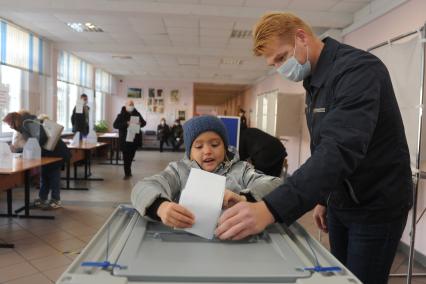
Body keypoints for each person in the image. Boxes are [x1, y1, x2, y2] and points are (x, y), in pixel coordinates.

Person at [215, 12, 412, 284]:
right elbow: (323, 145)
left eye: (282, 57)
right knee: (342, 276)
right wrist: (324, 198)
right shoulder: (316, 81)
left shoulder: (358, 71)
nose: (281, 68)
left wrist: (270, 209)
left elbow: (339, 149)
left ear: (301, 37)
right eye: (274, 63)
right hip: (342, 201)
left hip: (376, 203)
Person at [131, 115, 282, 228]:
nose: (208, 151)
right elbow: (141, 188)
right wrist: (161, 207)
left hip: (234, 243)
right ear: (189, 152)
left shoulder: (241, 170)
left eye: (215, 144)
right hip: (186, 245)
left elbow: (275, 184)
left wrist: (244, 199)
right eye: (198, 146)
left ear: (225, 147)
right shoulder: (178, 171)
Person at [3, 112, 70, 209]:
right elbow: (35, 140)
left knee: (53, 177)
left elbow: (42, 137)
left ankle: (56, 200)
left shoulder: (27, 123)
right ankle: (42, 199)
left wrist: (33, 148)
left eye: (9, 124)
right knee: (44, 176)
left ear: (14, 120)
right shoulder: (25, 124)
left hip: (55, 152)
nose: (10, 127)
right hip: (48, 152)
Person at [113, 100, 146, 179]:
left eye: (132, 104)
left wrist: (140, 123)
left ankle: (129, 170)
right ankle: (127, 173)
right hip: (125, 139)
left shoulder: (137, 114)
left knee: (131, 156)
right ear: (126, 105)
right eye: (130, 104)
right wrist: (126, 123)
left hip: (134, 139)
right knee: (126, 156)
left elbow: (144, 123)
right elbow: (115, 125)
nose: (131, 105)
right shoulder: (120, 115)